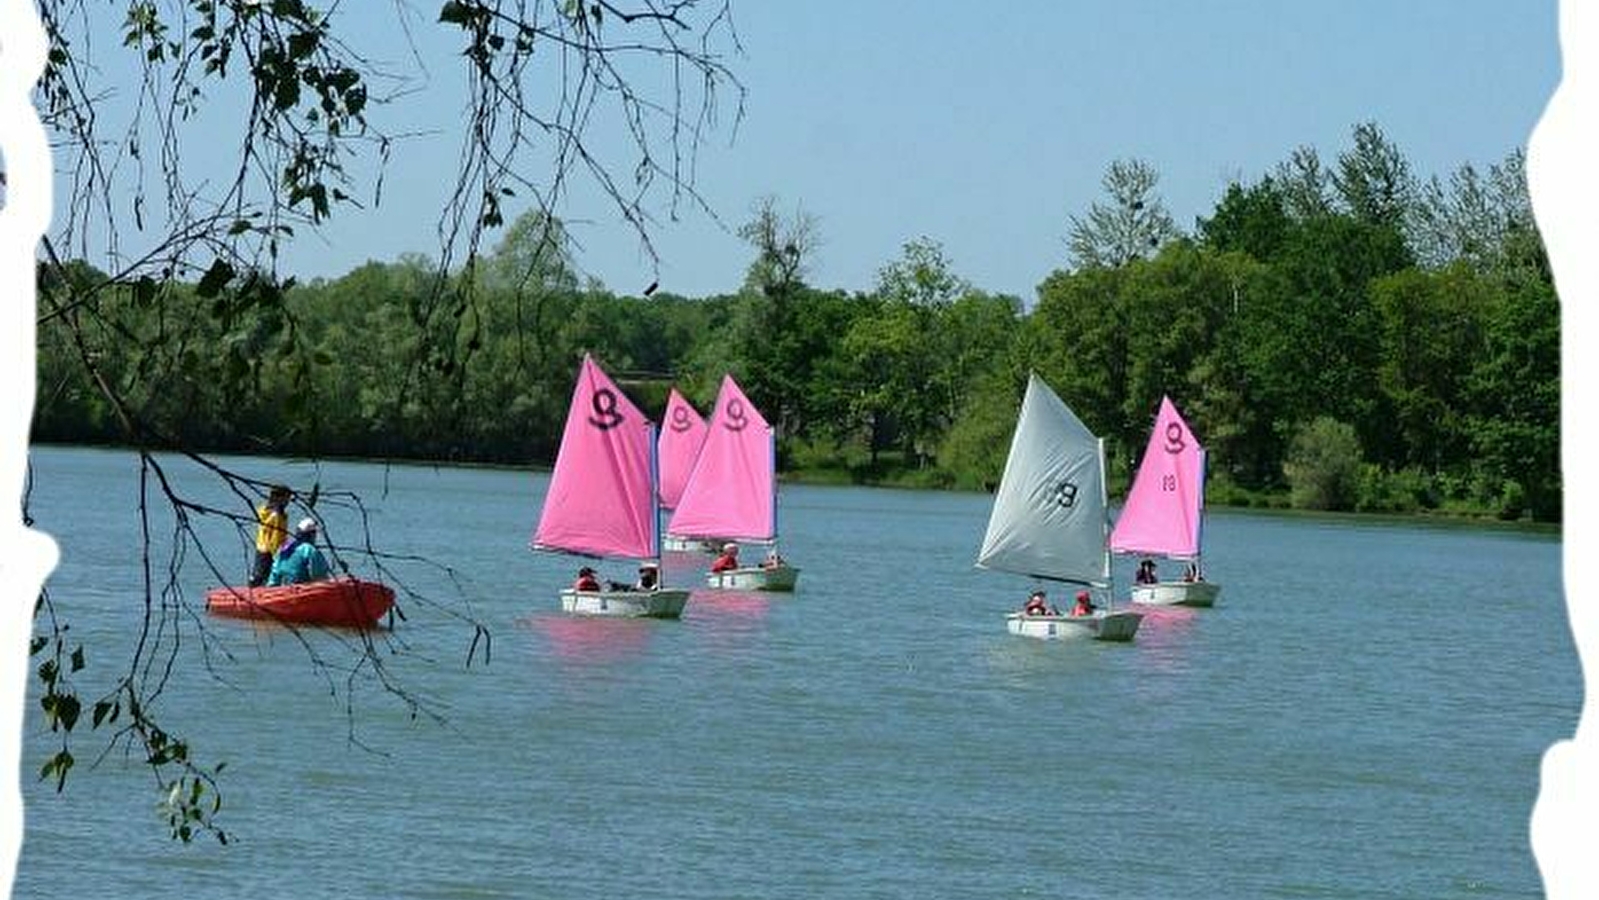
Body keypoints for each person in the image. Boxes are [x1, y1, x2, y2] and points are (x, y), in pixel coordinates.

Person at [266, 517, 331, 586]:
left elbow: (275, 573)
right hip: (303, 589)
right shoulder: (309, 549)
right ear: (311, 535)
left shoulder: (285, 547)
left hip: (285, 588)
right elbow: (320, 575)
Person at [249, 485, 291, 587]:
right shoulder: (277, 515)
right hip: (271, 551)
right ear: (279, 498)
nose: (288, 502)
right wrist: (278, 554)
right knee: (267, 578)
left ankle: (252, 591)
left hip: (261, 547)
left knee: (258, 576)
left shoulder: (264, 510)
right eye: (286, 498)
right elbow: (276, 537)